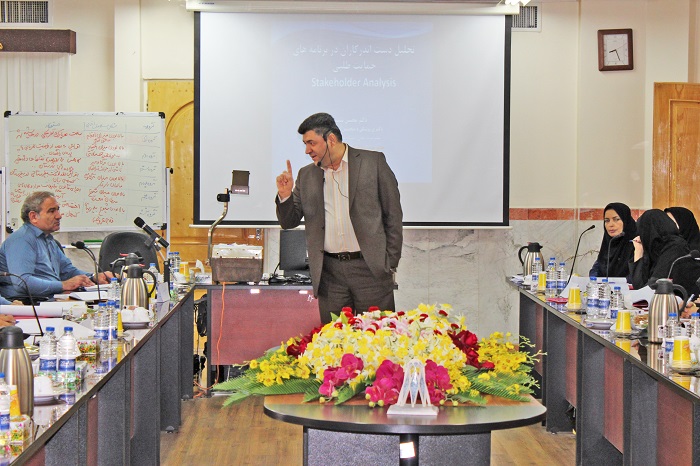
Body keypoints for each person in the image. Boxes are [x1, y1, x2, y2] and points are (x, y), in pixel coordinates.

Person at [275, 113, 403, 324]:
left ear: (331, 139)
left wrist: (389, 262)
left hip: (370, 270)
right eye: (305, 144)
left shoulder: (373, 163)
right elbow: (289, 221)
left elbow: (393, 215)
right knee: (335, 339)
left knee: (378, 336)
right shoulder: (306, 175)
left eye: (311, 143)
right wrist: (285, 195)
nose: (307, 150)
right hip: (330, 275)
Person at [0, 191, 113, 301]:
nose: (59, 216)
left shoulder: (48, 239)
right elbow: (22, 283)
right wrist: (63, 285)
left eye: (58, 210)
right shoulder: (21, 240)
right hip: (28, 304)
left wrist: (93, 277)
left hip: (50, 299)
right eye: (51, 211)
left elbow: (67, 271)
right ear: (33, 216)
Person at [630, 209, 700, 295]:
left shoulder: (675, 247)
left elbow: (652, 288)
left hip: (686, 301)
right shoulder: (657, 249)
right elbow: (640, 287)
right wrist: (638, 252)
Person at [589, 202, 637, 279]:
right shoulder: (609, 243)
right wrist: (594, 279)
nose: (610, 224)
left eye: (616, 219)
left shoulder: (636, 243)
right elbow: (597, 268)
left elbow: (637, 275)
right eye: (607, 220)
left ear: (626, 221)